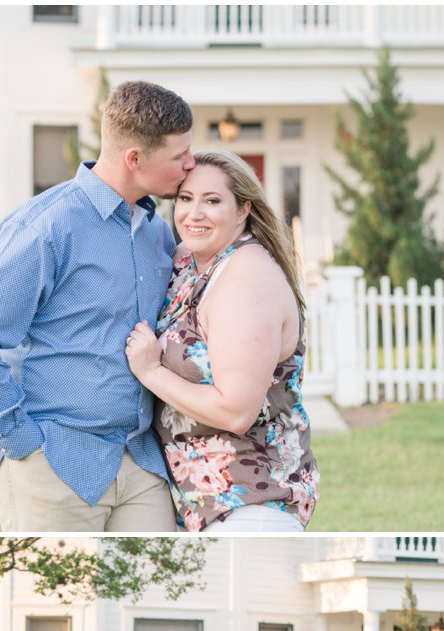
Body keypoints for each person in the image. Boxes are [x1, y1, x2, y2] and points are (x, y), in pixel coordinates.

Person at [0, 81, 195, 532]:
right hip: (53, 460)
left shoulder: (159, 233)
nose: (190, 165)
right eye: (180, 156)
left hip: (142, 461)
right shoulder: (47, 225)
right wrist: (19, 438)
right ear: (134, 158)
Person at [124, 150, 319, 532]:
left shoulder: (247, 278)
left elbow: (236, 411)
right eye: (185, 198)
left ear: (243, 209)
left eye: (212, 201)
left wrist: (150, 371)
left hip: (250, 506)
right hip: (197, 507)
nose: (194, 213)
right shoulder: (188, 261)